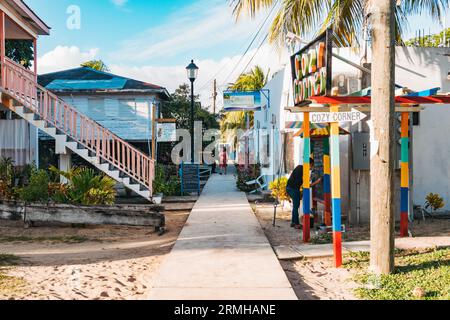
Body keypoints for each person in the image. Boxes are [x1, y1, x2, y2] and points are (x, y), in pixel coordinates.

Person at [286, 165, 303, 229]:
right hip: (294, 189)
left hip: (289, 188)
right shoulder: (303, 171)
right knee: (296, 207)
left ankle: (293, 222)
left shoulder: (299, 168)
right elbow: (307, 184)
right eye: (312, 165)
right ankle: (296, 224)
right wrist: (317, 181)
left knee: (295, 206)